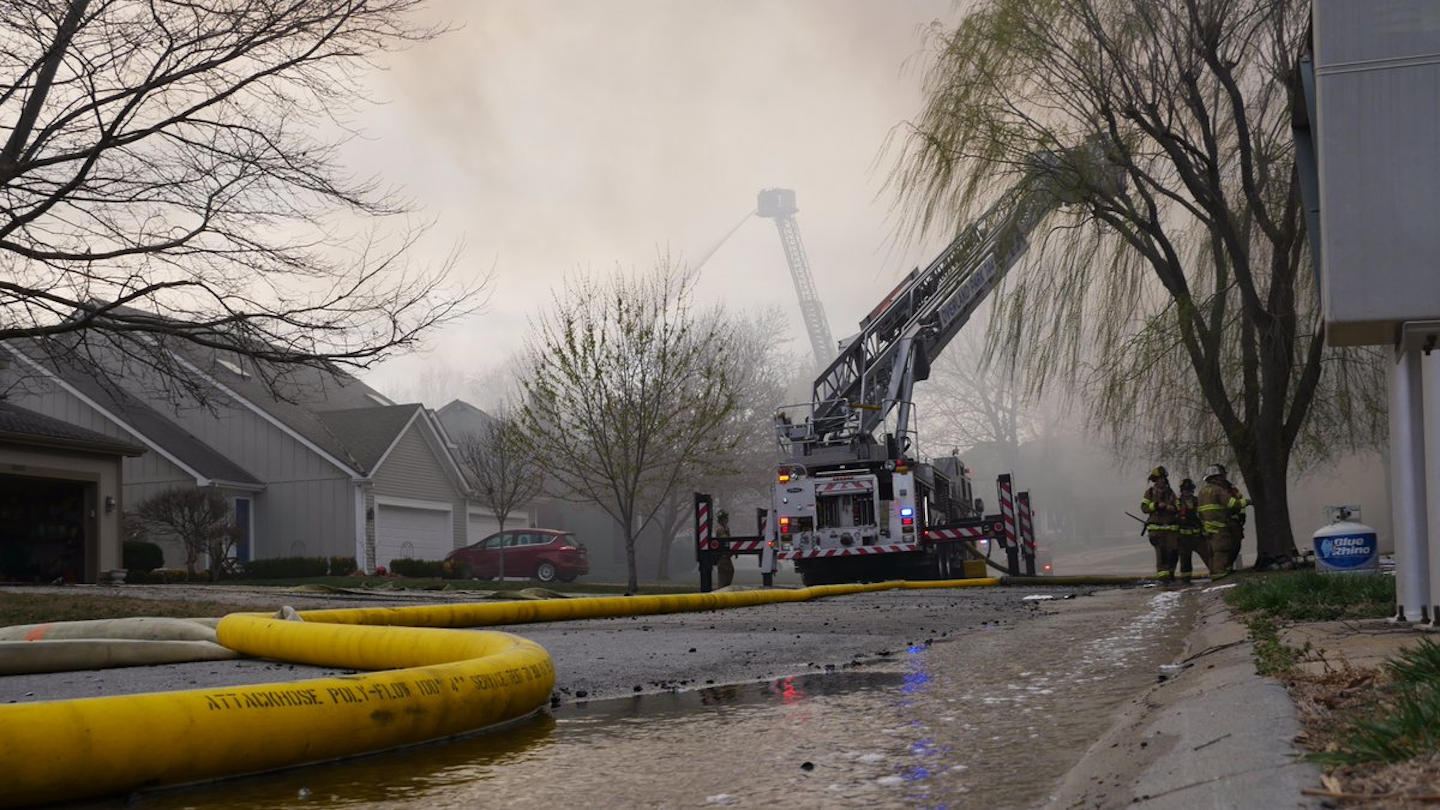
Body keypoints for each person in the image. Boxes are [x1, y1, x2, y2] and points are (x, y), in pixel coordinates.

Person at [1199, 464, 1249, 579]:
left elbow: (1200, 512)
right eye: (1220, 477)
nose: (1222, 479)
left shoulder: (1202, 492)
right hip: (1220, 525)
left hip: (1208, 527)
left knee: (1213, 551)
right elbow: (1232, 504)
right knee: (1222, 549)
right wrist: (1247, 502)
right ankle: (1220, 574)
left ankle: (1215, 573)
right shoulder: (1218, 490)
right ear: (1215, 478)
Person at [1140, 466, 1180, 580]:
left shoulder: (1170, 492)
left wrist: (1170, 507)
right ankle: (1163, 579)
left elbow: (1178, 506)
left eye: (1163, 478)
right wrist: (1156, 506)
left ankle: (1171, 575)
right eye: (1159, 479)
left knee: (1173, 553)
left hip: (1171, 529)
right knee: (1161, 554)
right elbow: (1144, 508)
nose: (1161, 481)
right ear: (1155, 480)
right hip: (1156, 530)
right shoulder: (1150, 492)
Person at [1175, 478, 1209, 583]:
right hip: (1183, 538)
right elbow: (1174, 517)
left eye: (1189, 490)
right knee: (1185, 561)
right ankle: (1186, 581)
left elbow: (1203, 516)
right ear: (1182, 491)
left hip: (1198, 536)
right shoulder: (1177, 503)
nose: (1187, 492)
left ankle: (1216, 574)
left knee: (1208, 555)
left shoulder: (1197, 501)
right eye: (1185, 490)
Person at [715, 510, 735, 588]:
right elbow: (725, 541)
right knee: (723, 579)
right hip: (722, 558)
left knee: (730, 572)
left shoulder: (725, 528)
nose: (727, 519)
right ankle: (721, 596)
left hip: (726, 558)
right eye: (726, 518)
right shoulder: (721, 529)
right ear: (723, 519)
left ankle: (725, 594)